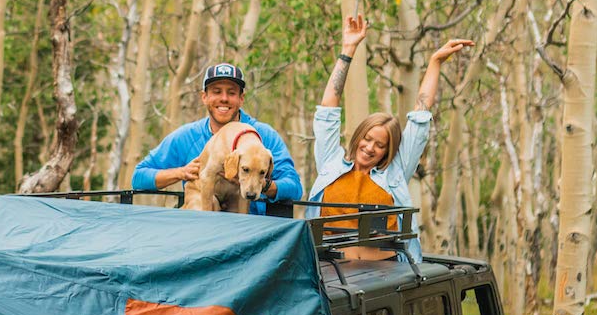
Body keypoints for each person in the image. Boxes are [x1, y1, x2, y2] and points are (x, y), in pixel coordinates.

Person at [309, 14, 473, 255]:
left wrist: (435, 62)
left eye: (380, 145)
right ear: (358, 137)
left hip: (382, 271)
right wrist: (348, 50)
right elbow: (327, 111)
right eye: (367, 139)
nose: (369, 148)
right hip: (330, 266)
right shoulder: (330, 163)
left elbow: (419, 119)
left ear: (388, 150)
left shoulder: (395, 173)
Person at [133, 62, 302, 212]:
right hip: (203, 223)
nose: (224, 99)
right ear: (204, 97)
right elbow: (139, 177)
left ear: (241, 98)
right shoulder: (187, 136)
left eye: (231, 93)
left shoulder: (264, 136)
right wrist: (181, 172)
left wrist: (261, 183)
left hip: (248, 225)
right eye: (216, 92)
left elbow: (294, 187)